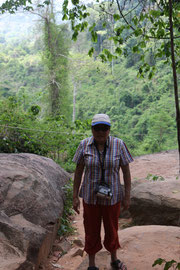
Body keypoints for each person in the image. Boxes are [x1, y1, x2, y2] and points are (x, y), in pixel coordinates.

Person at [72, 114, 133, 270]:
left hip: (112, 198)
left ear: (109, 129)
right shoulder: (84, 145)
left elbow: (126, 172)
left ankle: (114, 260)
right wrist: (74, 196)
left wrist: (127, 196)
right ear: (92, 129)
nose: (100, 132)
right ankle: (92, 265)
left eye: (104, 128)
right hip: (90, 197)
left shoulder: (119, 144)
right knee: (91, 229)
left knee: (112, 228)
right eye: (97, 128)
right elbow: (78, 172)